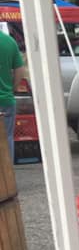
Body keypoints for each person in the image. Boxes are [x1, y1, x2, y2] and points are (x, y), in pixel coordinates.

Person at [0, 30, 26, 160]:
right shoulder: (9, 41)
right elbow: (20, 70)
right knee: (6, 137)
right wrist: (12, 89)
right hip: (6, 100)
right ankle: (7, 171)